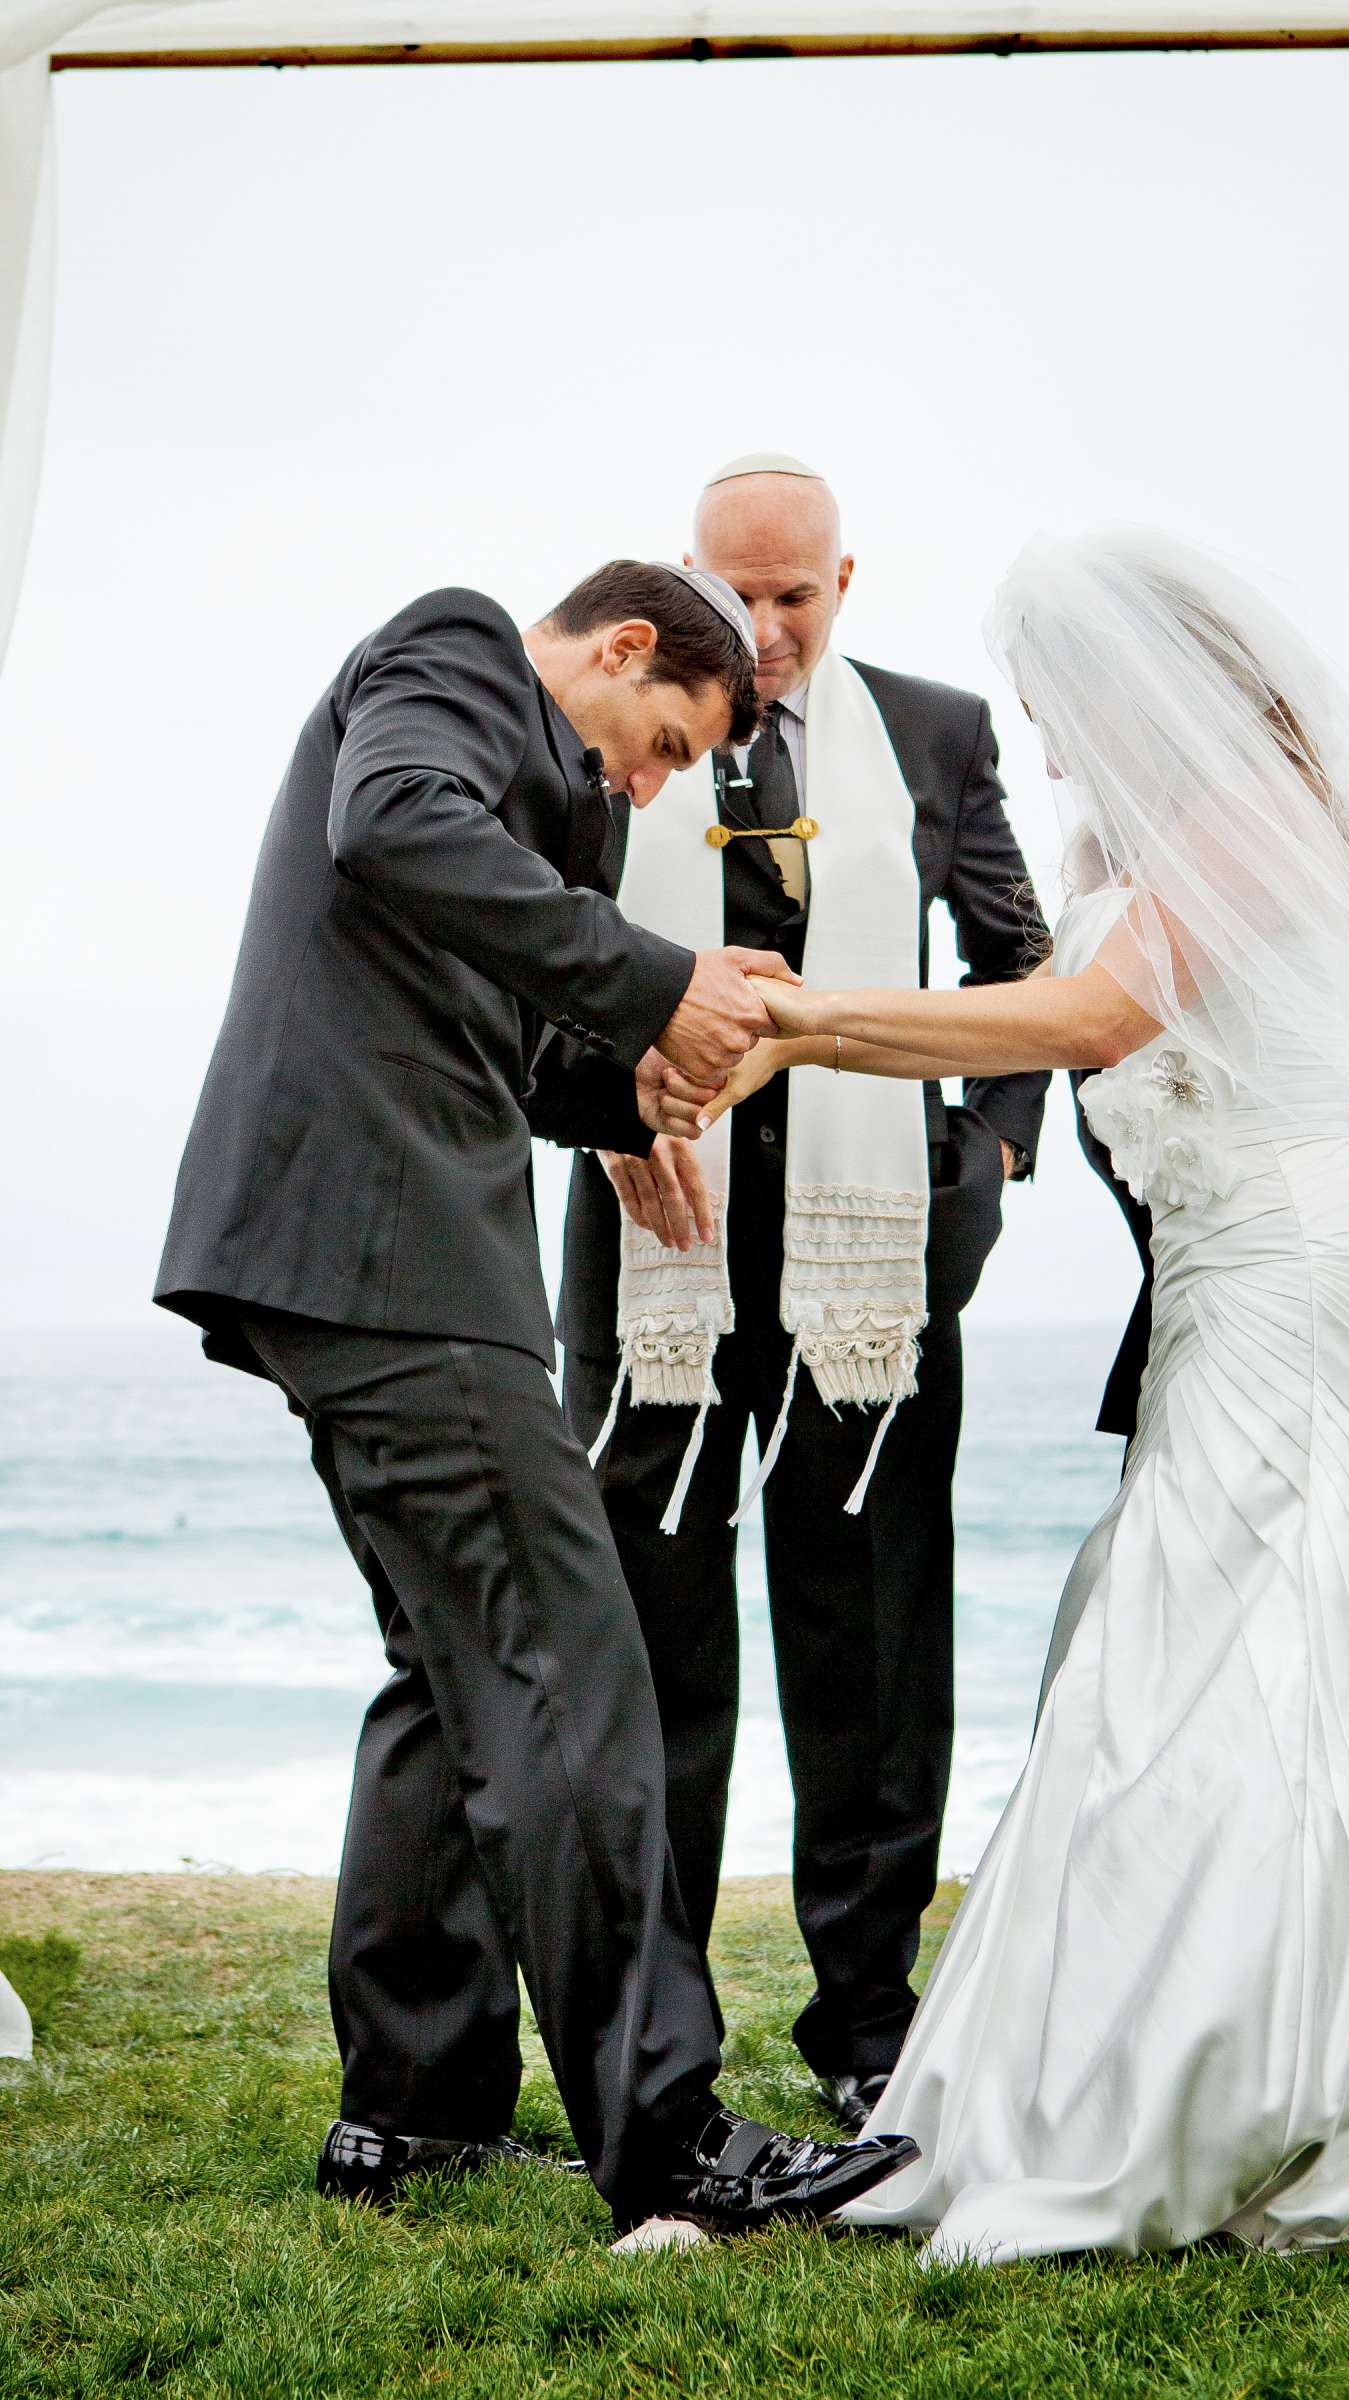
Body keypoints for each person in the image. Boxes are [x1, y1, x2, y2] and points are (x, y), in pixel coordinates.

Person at [707, 528, 1349, 2260]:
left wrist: (810, 1023)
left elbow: (1090, 1015)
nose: (1044, 745)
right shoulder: (1181, 836)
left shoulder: (1252, 822)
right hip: (1223, 1293)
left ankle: (1316, 2052)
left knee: (1294, 1650)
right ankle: (1183, 2041)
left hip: (1294, 1287)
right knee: (1218, 1649)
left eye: (1055, 705)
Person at [153, 561, 917, 2239]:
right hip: (392, 1247)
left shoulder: (530, 783)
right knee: (571, 1669)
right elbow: (395, 828)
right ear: (625, 645)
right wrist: (650, 977)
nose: (642, 790)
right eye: (656, 749)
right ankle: (674, 2140)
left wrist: (622, 1097)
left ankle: (410, 2117)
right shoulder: (458, 651)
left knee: (450, 1680)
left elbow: (476, 1012)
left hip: (342, 1249)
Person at [537, 456, 1049, 2132]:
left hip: (873, 1254)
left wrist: (980, 1166)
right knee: (649, 1643)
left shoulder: (942, 731)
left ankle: (866, 2017)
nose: (759, 632)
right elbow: (538, 949)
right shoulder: (617, 731)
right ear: (684, 578)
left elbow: (1019, 964)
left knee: (876, 1644)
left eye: (792, 598)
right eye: (732, 594)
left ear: (848, 579)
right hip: (653, 1248)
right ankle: (657, 2022)